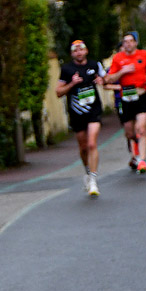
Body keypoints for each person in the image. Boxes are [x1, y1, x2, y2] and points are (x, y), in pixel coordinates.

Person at [56, 40, 105, 197]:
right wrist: (72, 83)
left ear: (86, 51)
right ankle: (88, 172)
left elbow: (107, 79)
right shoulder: (67, 69)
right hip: (77, 112)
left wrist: (102, 80)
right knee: (83, 147)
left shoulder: (94, 65)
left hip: (93, 110)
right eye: (75, 50)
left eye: (81, 49)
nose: (78, 52)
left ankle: (93, 180)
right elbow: (58, 92)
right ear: (72, 54)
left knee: (92, 144)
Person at [105, 31, 146, 174]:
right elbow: (109, 79)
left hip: (142, 95)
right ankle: (135, 147)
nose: (128, 44)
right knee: (130, 132)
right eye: (125, 41)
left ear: (136, 43)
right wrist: (122, 71)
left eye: (131, 41)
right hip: (126, 98)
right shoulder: (118, 58)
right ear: (123, 44)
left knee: (141, 128)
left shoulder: (144, 55)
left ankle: (142, 160)